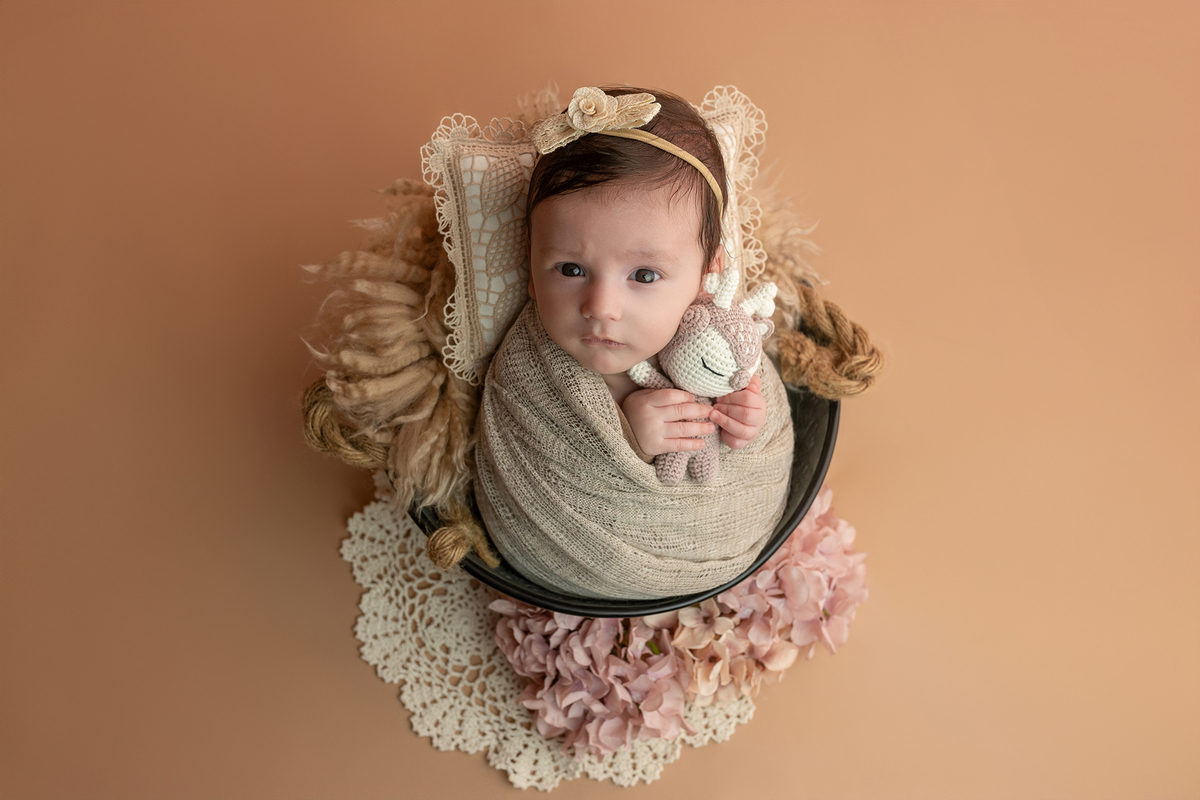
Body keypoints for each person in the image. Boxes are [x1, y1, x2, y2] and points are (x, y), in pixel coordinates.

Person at [473, 86, 795, 600]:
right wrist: (629, 439)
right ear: (531, 269)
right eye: (570, 269)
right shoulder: (530, 371)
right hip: (572, 558)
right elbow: (531, 461)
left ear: (706, 277)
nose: (601, 306)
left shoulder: (720, 341)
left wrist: (744, 420)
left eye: (644, 275)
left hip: (725, 539)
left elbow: (753, 442)